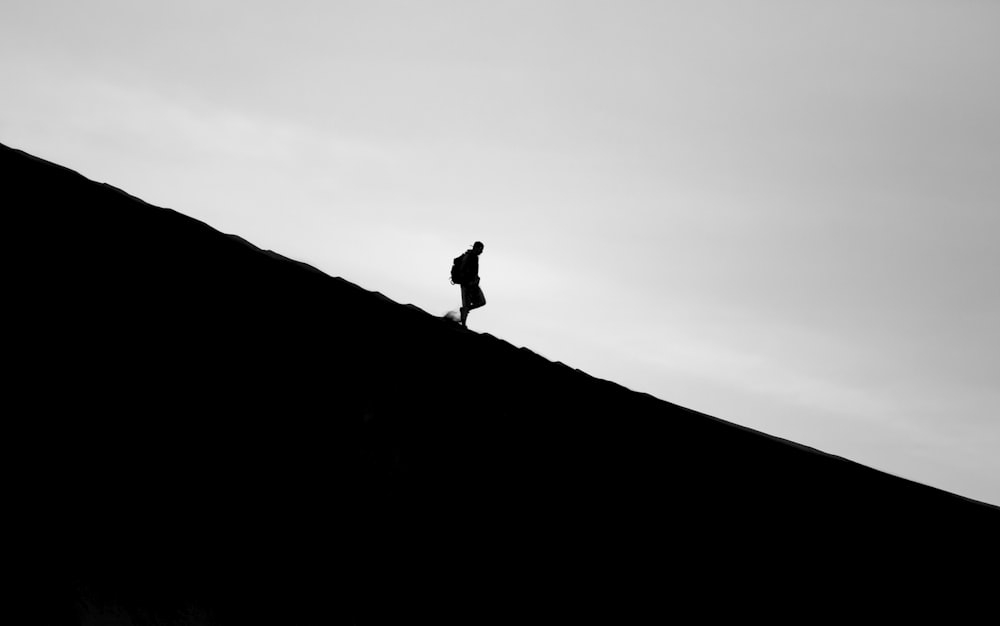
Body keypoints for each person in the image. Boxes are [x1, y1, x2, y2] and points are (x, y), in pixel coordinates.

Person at [456, 241, 486, 327]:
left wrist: (476, 279)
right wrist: (467, 282)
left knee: (481, 302)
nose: (481, 251)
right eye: (480, 249)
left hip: (473, 284)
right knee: (466, 304)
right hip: (466, 284)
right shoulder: (468, 256)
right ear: (476, 248)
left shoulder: (475, 257)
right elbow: (462, 270)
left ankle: (464, 312)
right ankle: (463, 324)